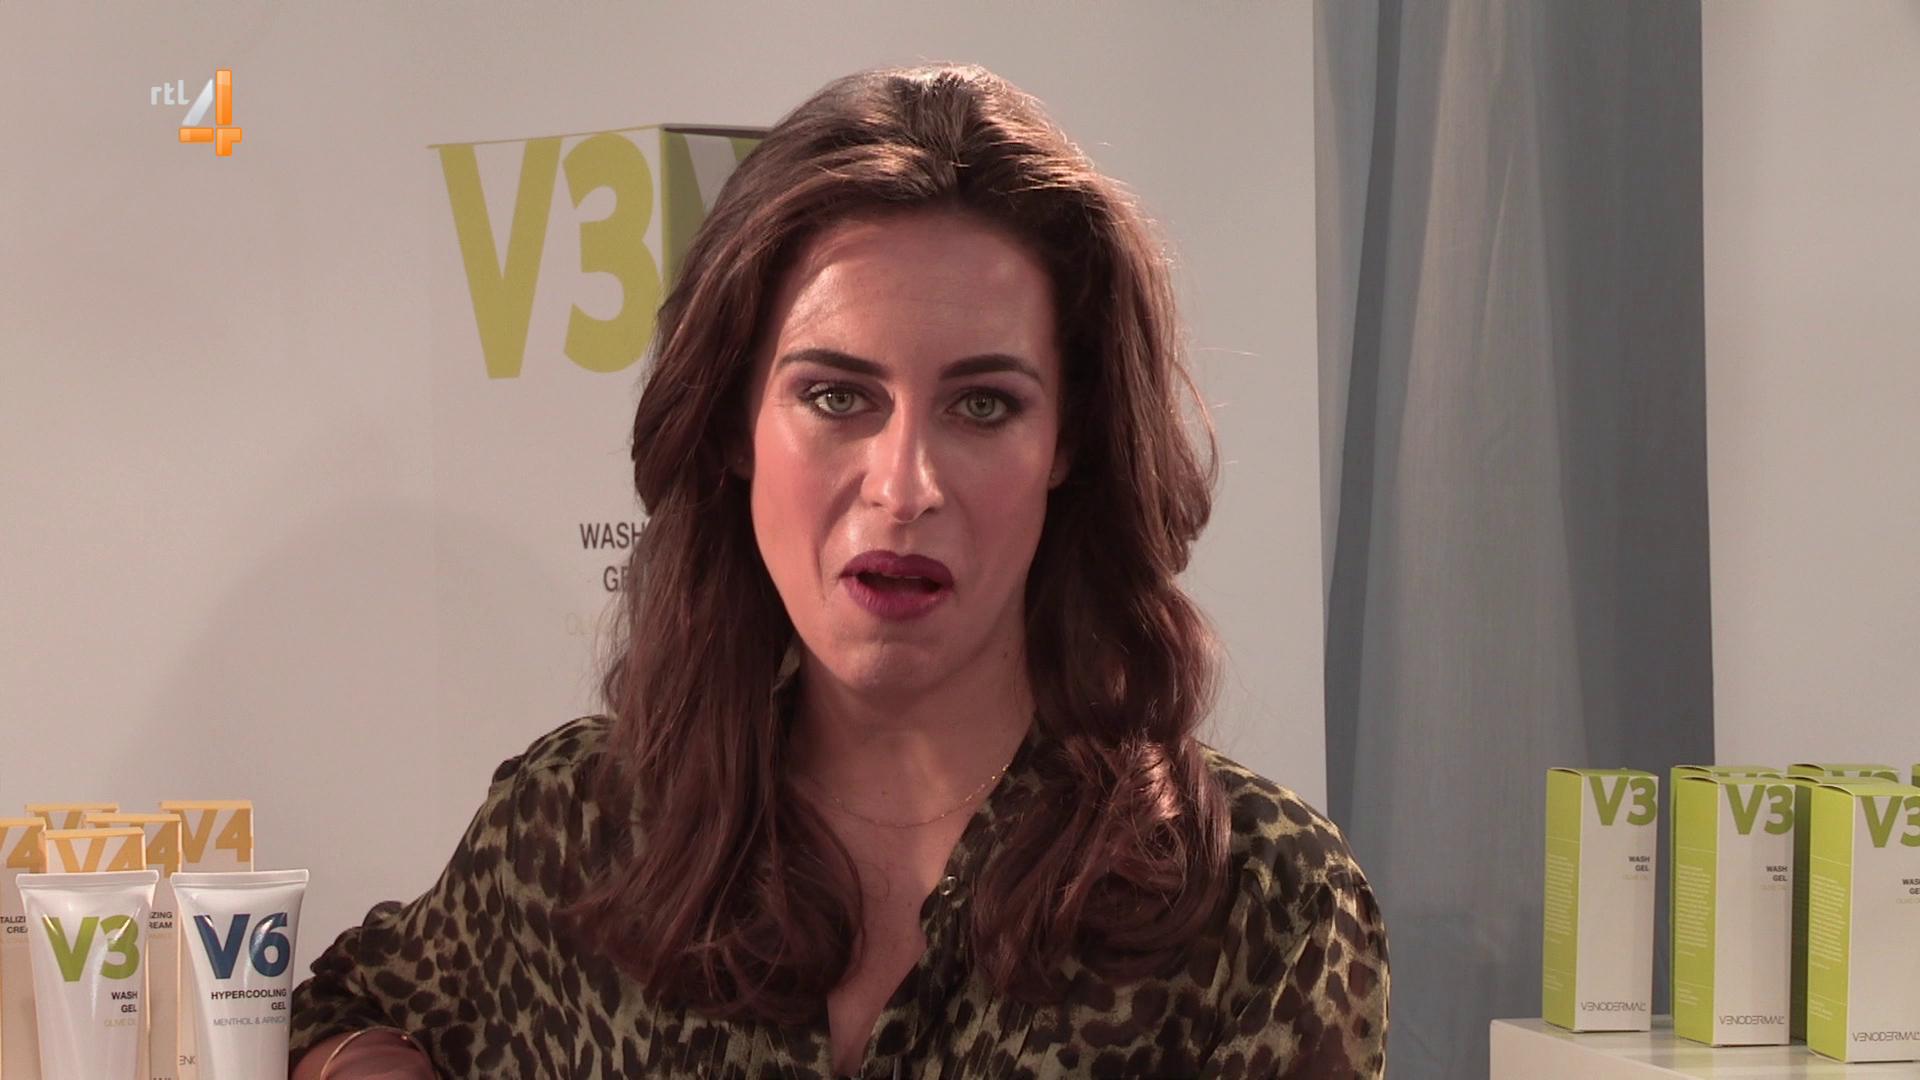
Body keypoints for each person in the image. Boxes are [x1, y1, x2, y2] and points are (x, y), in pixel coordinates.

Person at [289, 62, 1389, 1079]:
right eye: (836, 396)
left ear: (1070, 443)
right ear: (733, 424)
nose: (904, 487)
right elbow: (331, 1013)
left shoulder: (1264, 905)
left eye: (983, 405)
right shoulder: (576, 827)